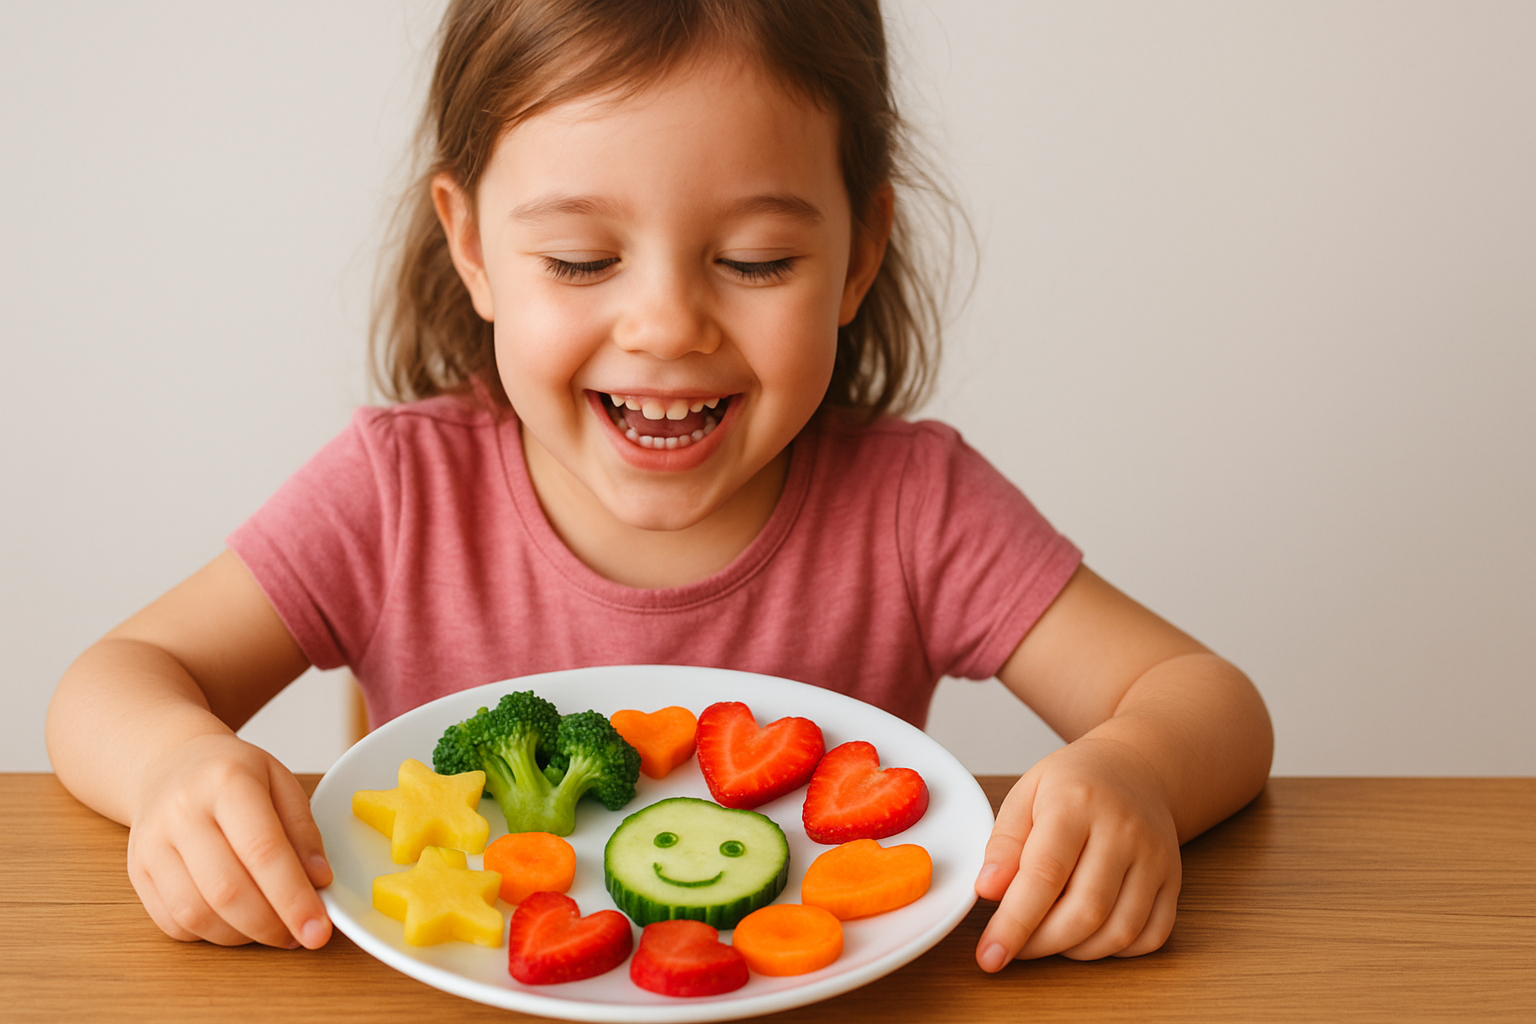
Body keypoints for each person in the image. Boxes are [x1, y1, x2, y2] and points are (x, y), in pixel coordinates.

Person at [46, 0, 1272, 972]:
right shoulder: (395, 494)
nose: (668, 325)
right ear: (472, 247)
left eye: (755, 259)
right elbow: (113, 681)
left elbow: (1205, 697)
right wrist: (173, 768)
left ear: (860, 255)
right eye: (581, 257)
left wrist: (1133, 776)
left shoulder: (914, 507)